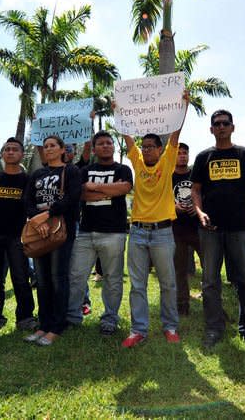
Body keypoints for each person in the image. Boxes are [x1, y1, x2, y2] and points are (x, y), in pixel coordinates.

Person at [119, 90, 189, 348]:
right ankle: (139, 330)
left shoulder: (168, 162)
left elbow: (176, 135)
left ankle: (170, 326)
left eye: (151, 147)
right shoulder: (137, 162)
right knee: (137, 285)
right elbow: (127, 139)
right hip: (137, 232)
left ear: (160, 150)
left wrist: (183, 106)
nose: (147, 150)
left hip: (162, 233)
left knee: (168, 282)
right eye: (144, 146)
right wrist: (119, 111)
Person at [191, 110, 245, 350]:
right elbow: (196, 190)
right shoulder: (203, 157)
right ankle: (214, 328)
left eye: (225, 123)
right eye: (216, 124)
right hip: (210, 229)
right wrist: (199, 212)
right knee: (210, 282)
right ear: (211, 130)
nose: (221, 127)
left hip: (240, 228)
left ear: (232, 127)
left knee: (244, 280)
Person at [67, 130, 133, 335]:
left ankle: (110, 318)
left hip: (114, 232)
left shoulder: (123, 168)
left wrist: (95, 187)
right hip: (86, 232)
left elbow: (124, 189)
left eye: (109, 143)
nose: (106, 146)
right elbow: (80, 194)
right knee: (77, 276)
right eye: (101, 143)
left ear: (113, 147)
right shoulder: (84, 170)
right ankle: (72, 316)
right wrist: (106, 190)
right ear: (93, 149)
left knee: (112, 278)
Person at [22, 135, 81, 347]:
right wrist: (36, 220)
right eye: (45, 146)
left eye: (53, 146)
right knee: (42, 279)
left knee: (58, 277)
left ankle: (57, 326)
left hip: (60, 229)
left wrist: (47, 216)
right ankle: (43, 324)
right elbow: (27, 200)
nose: (48, 149)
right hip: (39, 229)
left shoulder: (71, 171)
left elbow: (72, 198)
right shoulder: (37, 173)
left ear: (63, 149)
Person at [0, 137, 36, 334]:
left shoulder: (29, 180)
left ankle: (26, 318)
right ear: (3, 154)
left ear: (22, 154)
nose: (10, 152)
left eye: (15, 149)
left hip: (19, 237)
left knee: (21, 278)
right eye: (7, 149)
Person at [172, 142, 203, 316]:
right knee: (180, 270)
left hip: (198, 229)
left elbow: (204, 193)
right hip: (176, 230)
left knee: (209, 268)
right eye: (179, 153)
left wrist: (198, 207)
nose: (182, 155)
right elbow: (161, 199)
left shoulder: (195, 174)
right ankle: (182, 305)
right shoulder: (168, 176)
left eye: (185, 152)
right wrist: (173, 207)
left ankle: (213, 302)